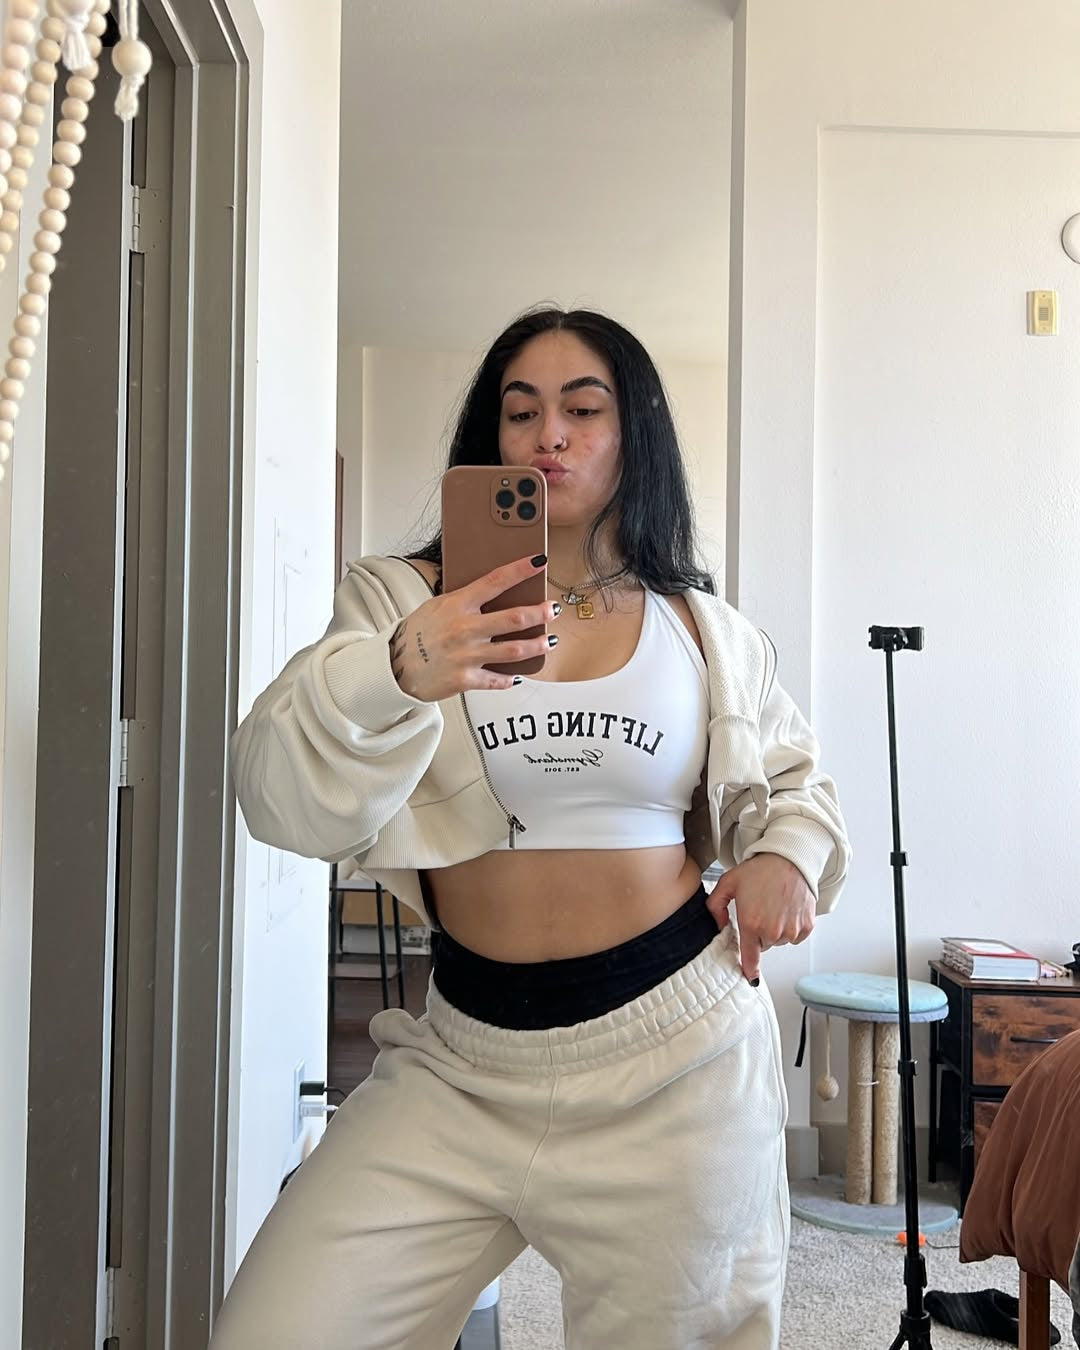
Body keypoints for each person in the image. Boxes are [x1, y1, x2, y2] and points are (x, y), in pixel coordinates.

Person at [214, 307, 851, 1350]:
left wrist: (787, 854)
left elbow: (796, 783)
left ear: (634, 433)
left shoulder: (703, 628)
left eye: (582, 409)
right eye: (520, 412)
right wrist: (399, 669)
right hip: (458, 1059)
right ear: (492, 438)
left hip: (675, 1054)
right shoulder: (403, 600)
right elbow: (272, 788)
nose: (548, 435)